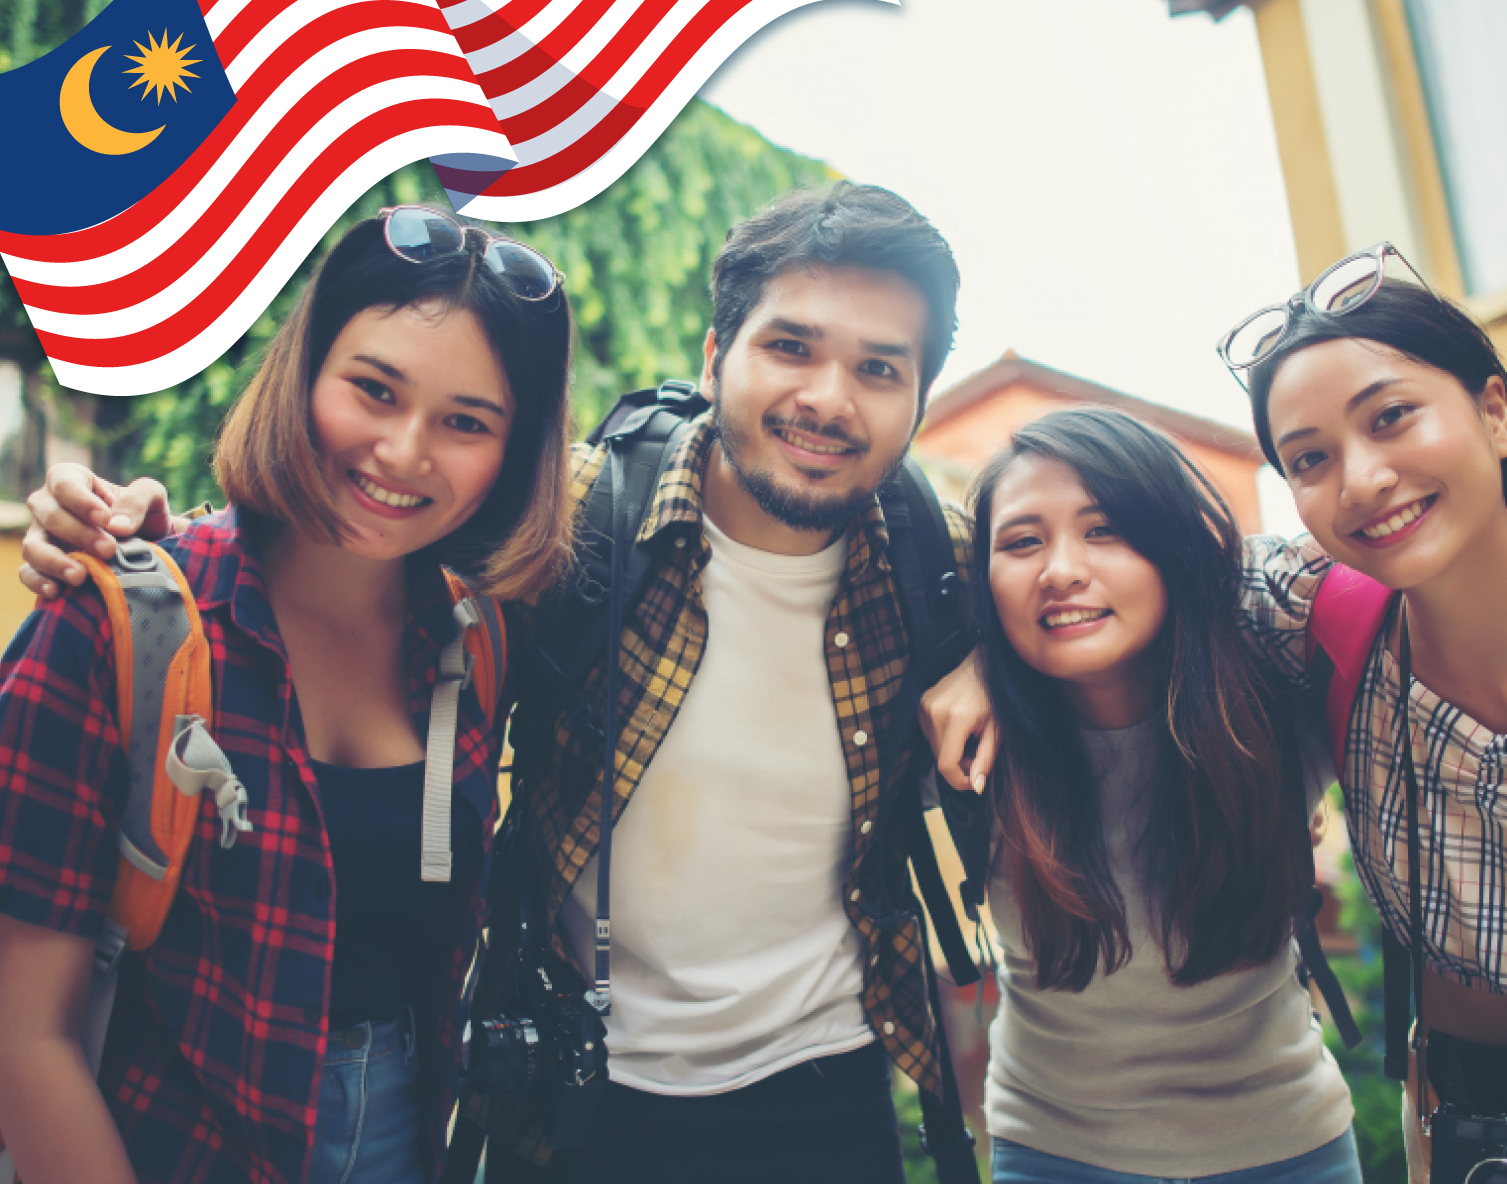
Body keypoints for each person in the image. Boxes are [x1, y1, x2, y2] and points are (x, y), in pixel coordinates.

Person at [14, 183, 970, 1184]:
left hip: (823, 1095)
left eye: (877, 367)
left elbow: (1097, 609)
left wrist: (995, 661)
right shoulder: (574, 527)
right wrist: (126, 534)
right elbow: (339, 528)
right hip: (572, 1094)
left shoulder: (940, 567)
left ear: (916, 395)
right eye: (790, 346)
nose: (827, 395)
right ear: (713, 354)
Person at [0, 208, 574, 1184]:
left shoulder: (479, 645)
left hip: (403, 1133)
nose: (403, 451)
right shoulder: (118, 623)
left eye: (466, 422)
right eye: (373, 388)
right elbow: (22, 1033)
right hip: (157, 1144)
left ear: (512, 451)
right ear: (305, 369)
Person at [1224, 252, 1507, 1184]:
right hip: (1455, 1123)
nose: (1361, 478)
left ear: (1493, 413)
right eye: (1308, 459)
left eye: (1391, 418)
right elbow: (1123, 567)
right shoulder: (1321, 620)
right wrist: (973, 659)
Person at [964, 405, 1358, 1184]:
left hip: (1288, 1148)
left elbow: (1440, 594)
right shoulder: (965, 743)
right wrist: (968, 664)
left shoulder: (1275, 695)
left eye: (1103, 529)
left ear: (1172, 546)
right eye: (1020, 541)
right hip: (1051, 1153)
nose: (1061, 569)